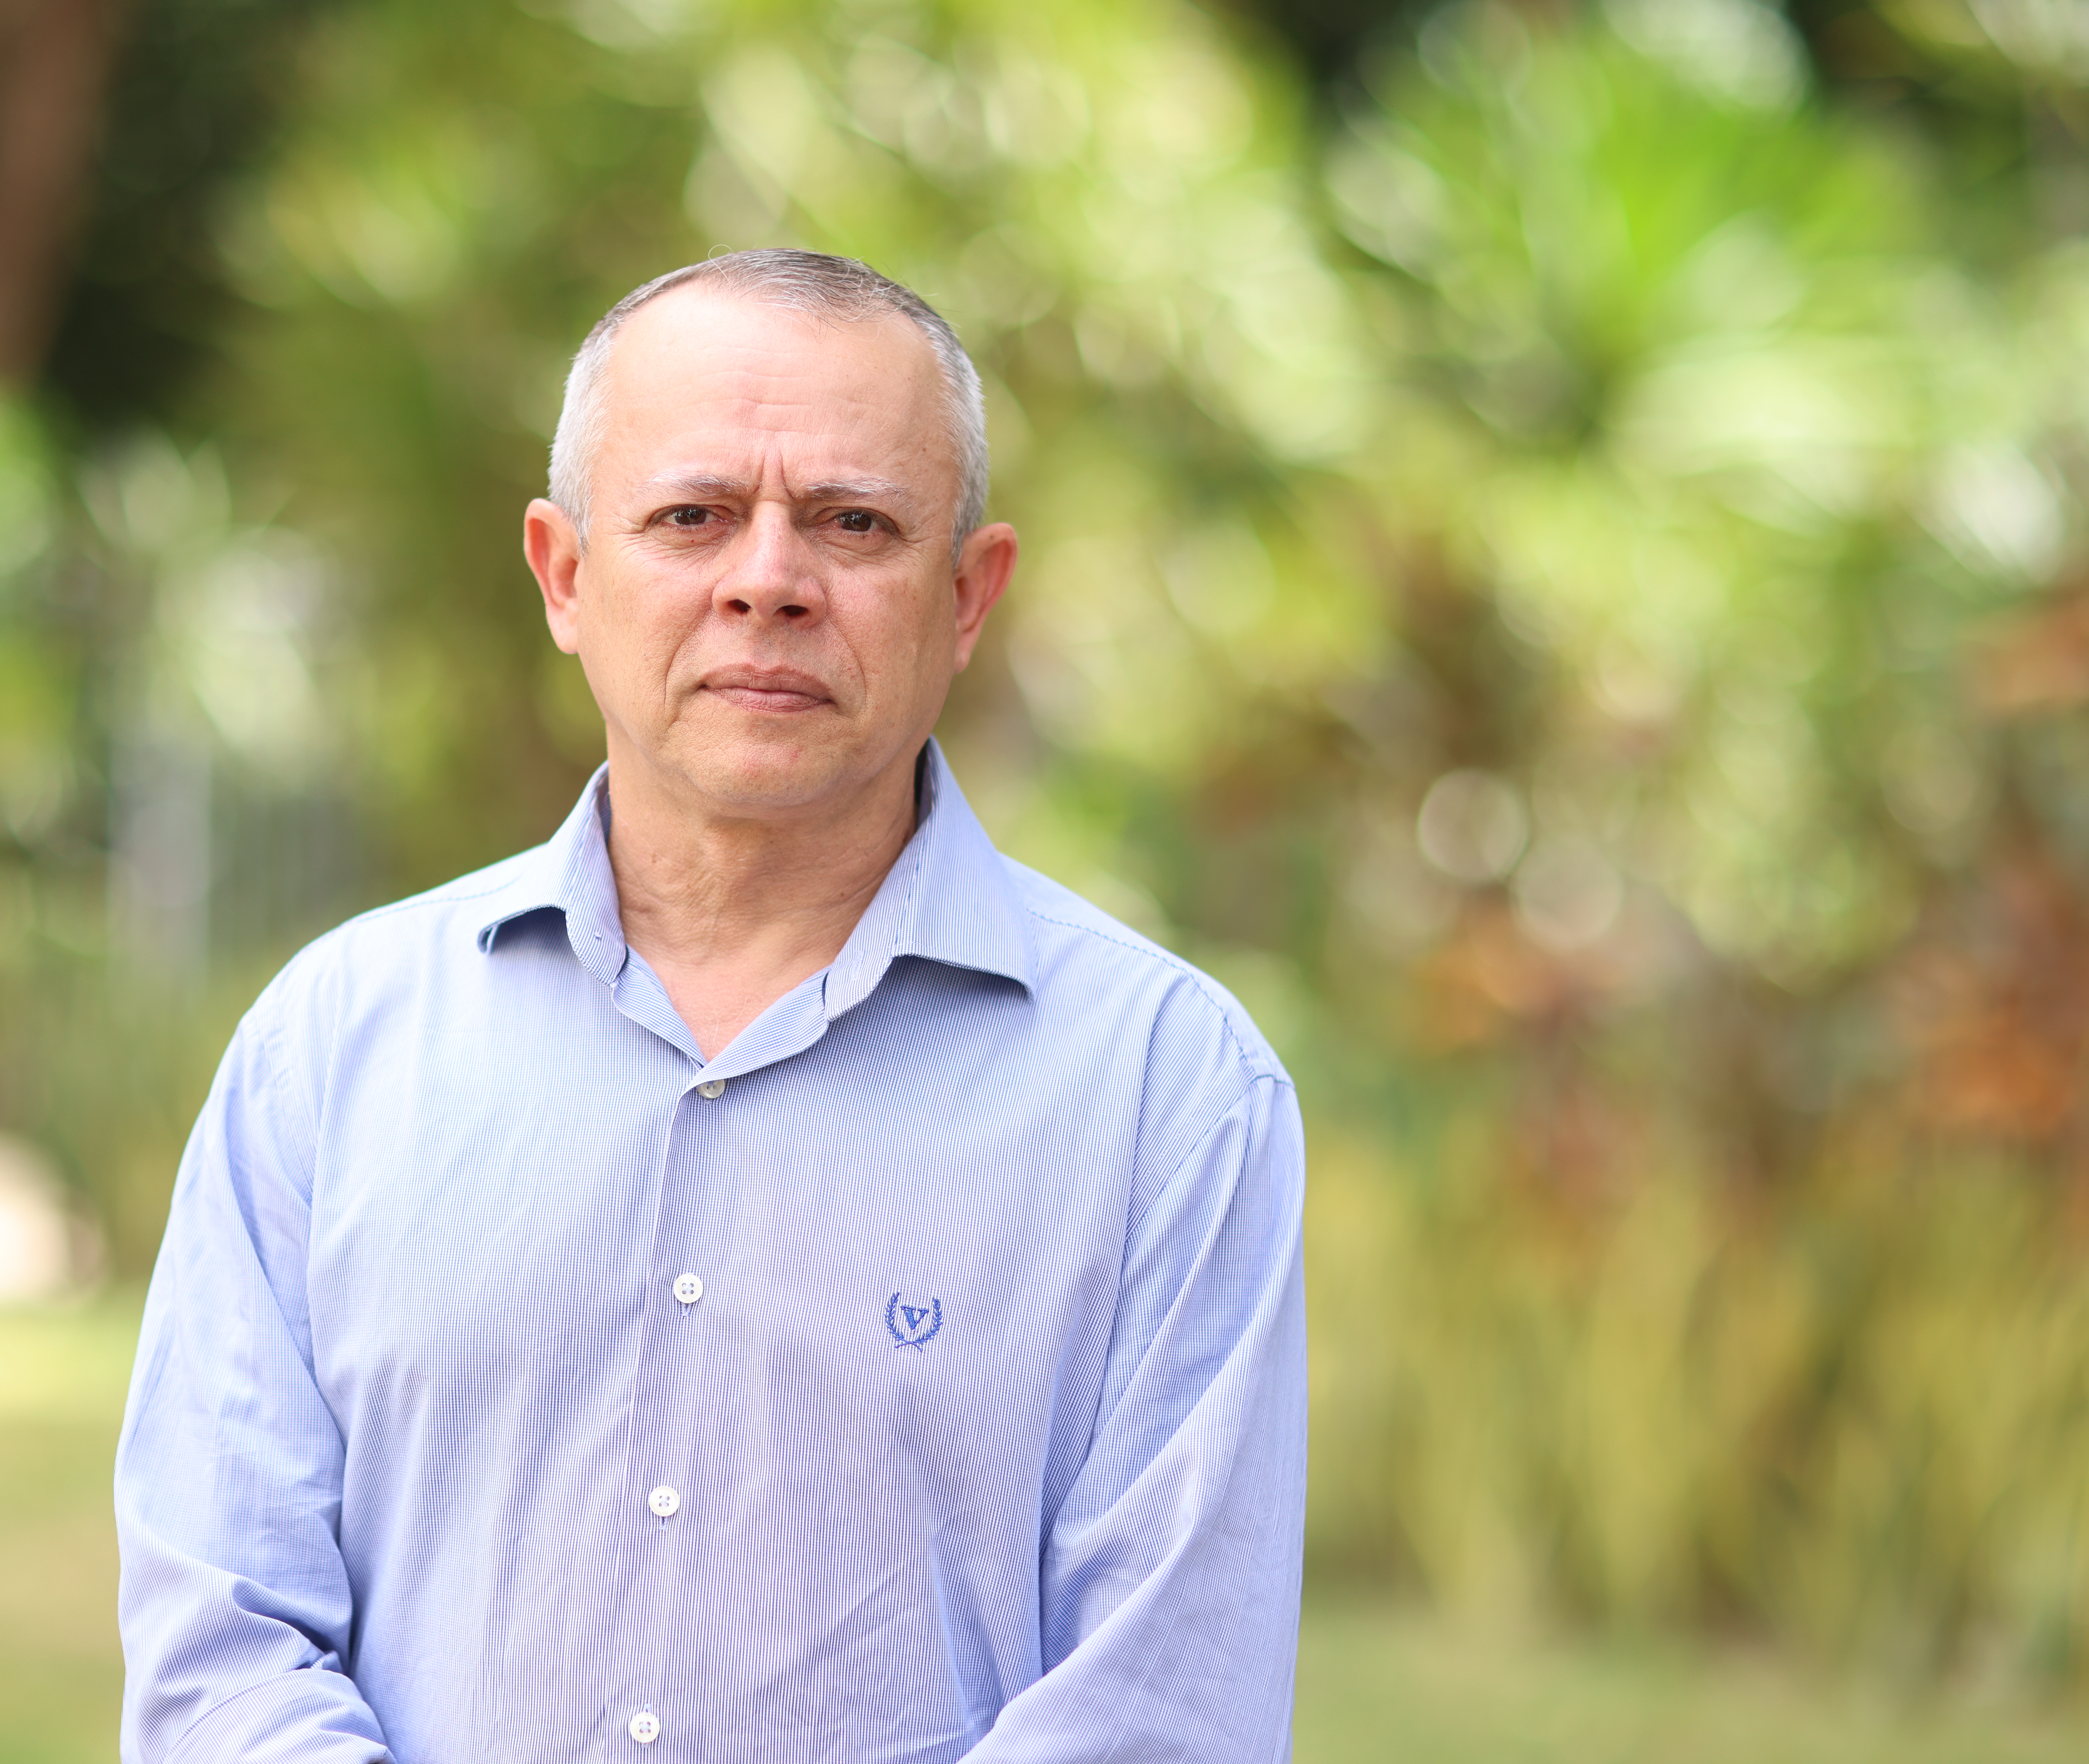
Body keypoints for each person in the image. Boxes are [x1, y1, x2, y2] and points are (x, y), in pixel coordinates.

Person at [115, 249, 1306, 1764]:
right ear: (562, 573)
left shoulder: (1170, 1093)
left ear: (966, 594)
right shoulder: (330, 1046)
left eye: (851, 523)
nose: (766, 580)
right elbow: (225, 1637)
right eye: (692, 517)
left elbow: (1161, 1711)